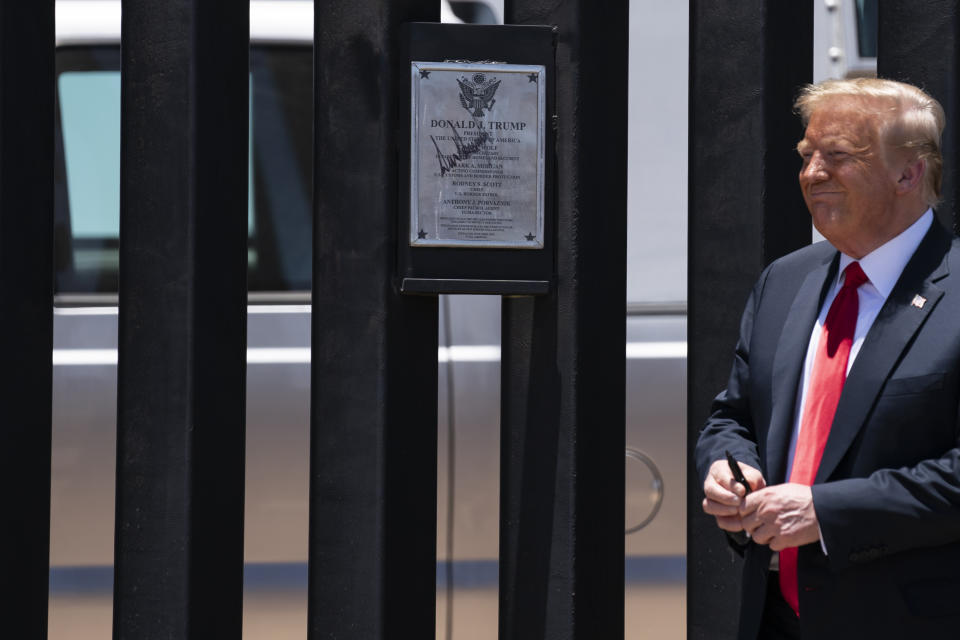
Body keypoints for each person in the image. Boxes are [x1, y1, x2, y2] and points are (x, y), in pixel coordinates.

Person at [696, 77, 960, 639]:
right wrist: (725, 467)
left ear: (908, 173)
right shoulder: (786, 280)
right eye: (807, 156)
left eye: (837, 156)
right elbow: (733, 416)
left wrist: (826, 512)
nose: (812, 174)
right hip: (773, 618)